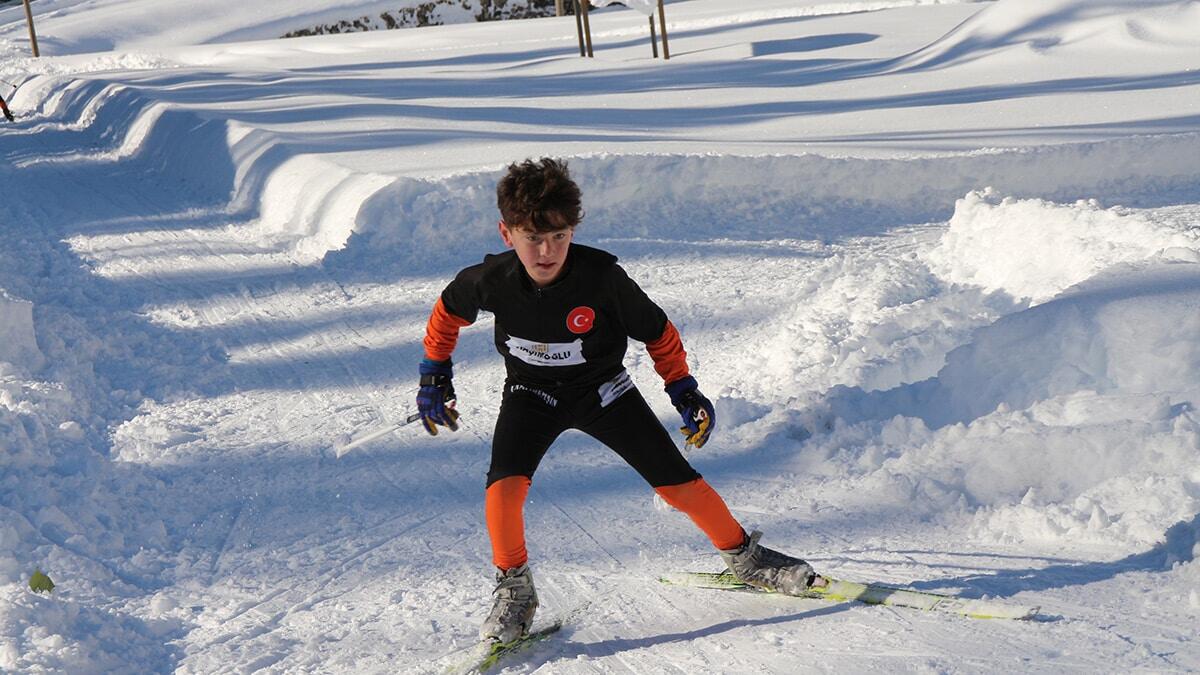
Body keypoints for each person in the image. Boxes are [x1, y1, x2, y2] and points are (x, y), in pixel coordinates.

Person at [417, 158, 821, 645]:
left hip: (604, 392)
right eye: (533, 238)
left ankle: (746, 560)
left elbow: (658, 331)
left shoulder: (602, 278)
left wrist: (682, 388)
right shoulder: (490, 279)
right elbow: (447, 313)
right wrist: (434, 374)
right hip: (531, 395)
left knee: (679, 487)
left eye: (559, 236)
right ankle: (515, 588)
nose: (547, 251)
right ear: (507, 233)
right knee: (503, 491)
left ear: (573, 232)